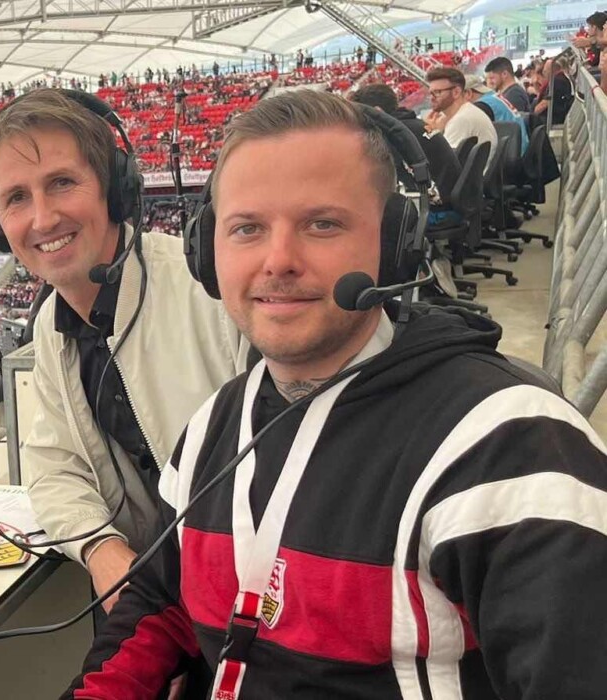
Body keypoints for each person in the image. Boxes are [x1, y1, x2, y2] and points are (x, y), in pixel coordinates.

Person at [72, 89, 607, 698]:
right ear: (205, 252)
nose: (278, 260)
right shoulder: (213, 429)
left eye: (321, 224)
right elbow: (160, 601)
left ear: (396, 240)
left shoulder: (511, 448)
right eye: (246, 228)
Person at [0, 88, 246, 695]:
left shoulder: (210, 293)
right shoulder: (51, 327)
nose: (42, 218)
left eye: (62, 183)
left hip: (249, 607)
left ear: (116, 188)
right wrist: (103, 552)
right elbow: (52, 467)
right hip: (156, 608)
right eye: (17, 197)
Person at [422, 66, 496, 154]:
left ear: (456, 92)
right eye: (431, 93)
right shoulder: (465, 113)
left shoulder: (461, 119)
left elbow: (444, 162)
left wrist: (432, 133)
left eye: (437, 92)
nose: (432, 98)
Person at [464, 76, 528, 156]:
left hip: (510, 157)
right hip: (521, 149)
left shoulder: (481, 107)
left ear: (468, 93)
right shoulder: (492, 96)